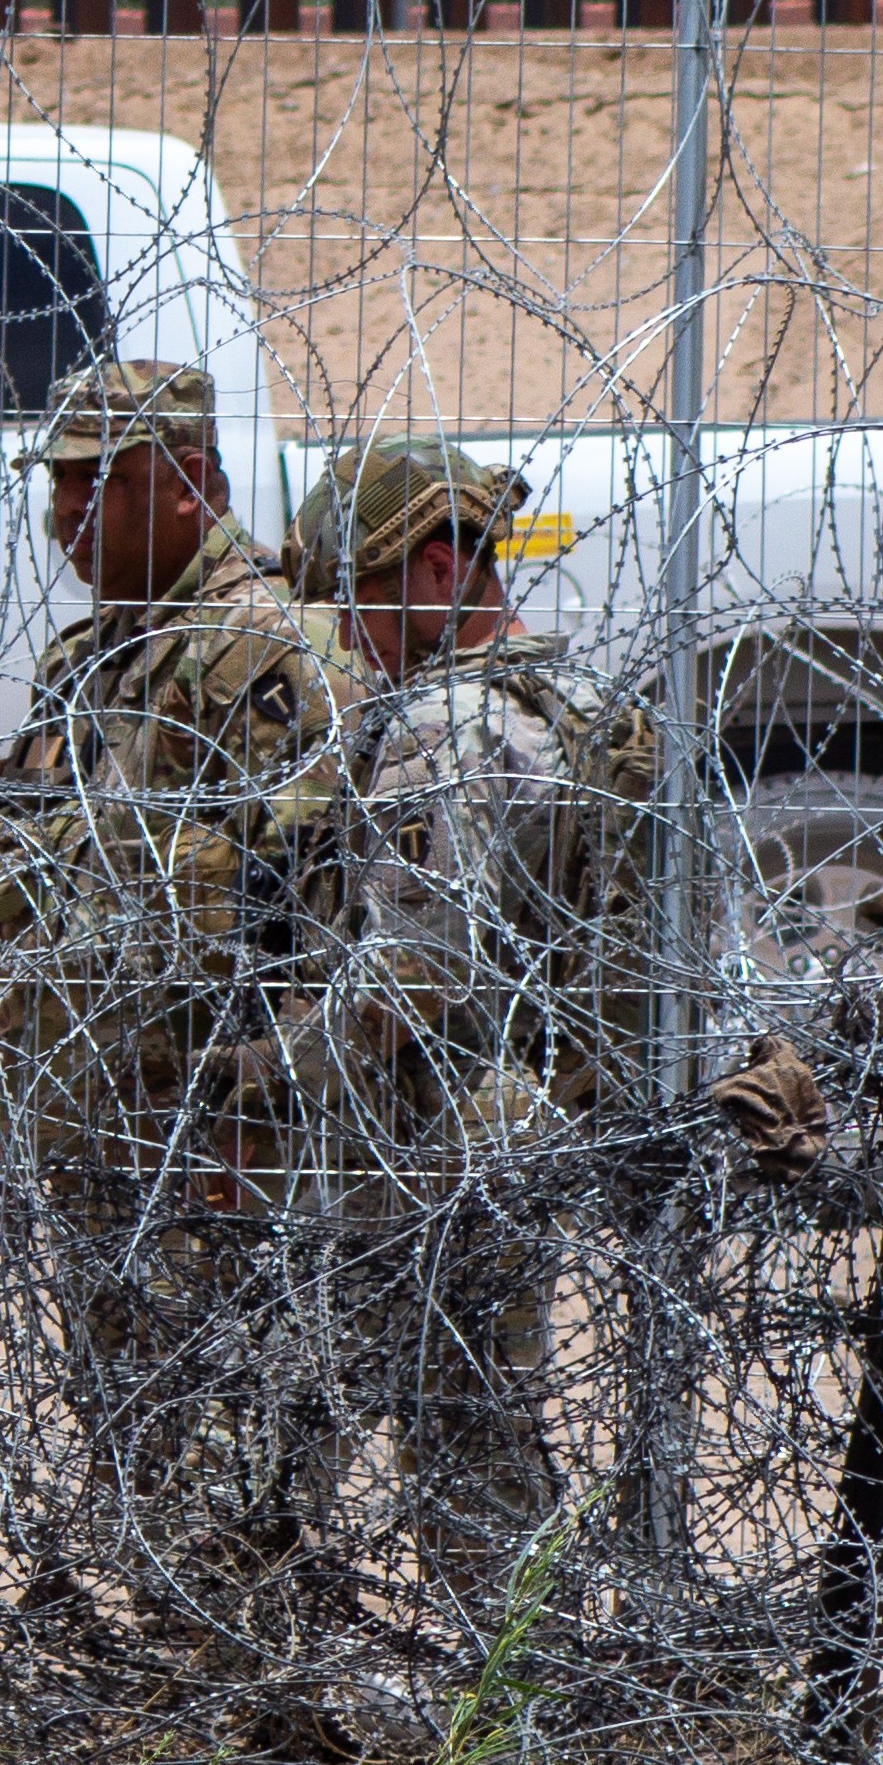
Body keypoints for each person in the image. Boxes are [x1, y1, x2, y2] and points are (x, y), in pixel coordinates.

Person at [0, 357, 359, 1646]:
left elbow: (296, 899)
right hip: (93, 1118)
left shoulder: (269, 648)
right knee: (132, 1430)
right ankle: (189, 1694)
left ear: (183, 484)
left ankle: (246, 1698)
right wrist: (8, 1100)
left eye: (90, 483)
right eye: (55, 486)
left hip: (215, 1124)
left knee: (236, 1446)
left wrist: (253, 1107)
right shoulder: (90, 662)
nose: (62, 514)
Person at [244, 435, 635, 1621]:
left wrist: (244, 1083)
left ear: (425, 571)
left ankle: (493, 1704)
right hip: (519, 1122)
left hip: (431, 1142)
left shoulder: (447, 729)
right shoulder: (570, 703)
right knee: (474, 1429)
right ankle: (524, 1690)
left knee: (359, 1427)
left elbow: (408, 980)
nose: (341, 634)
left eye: (347, 596)